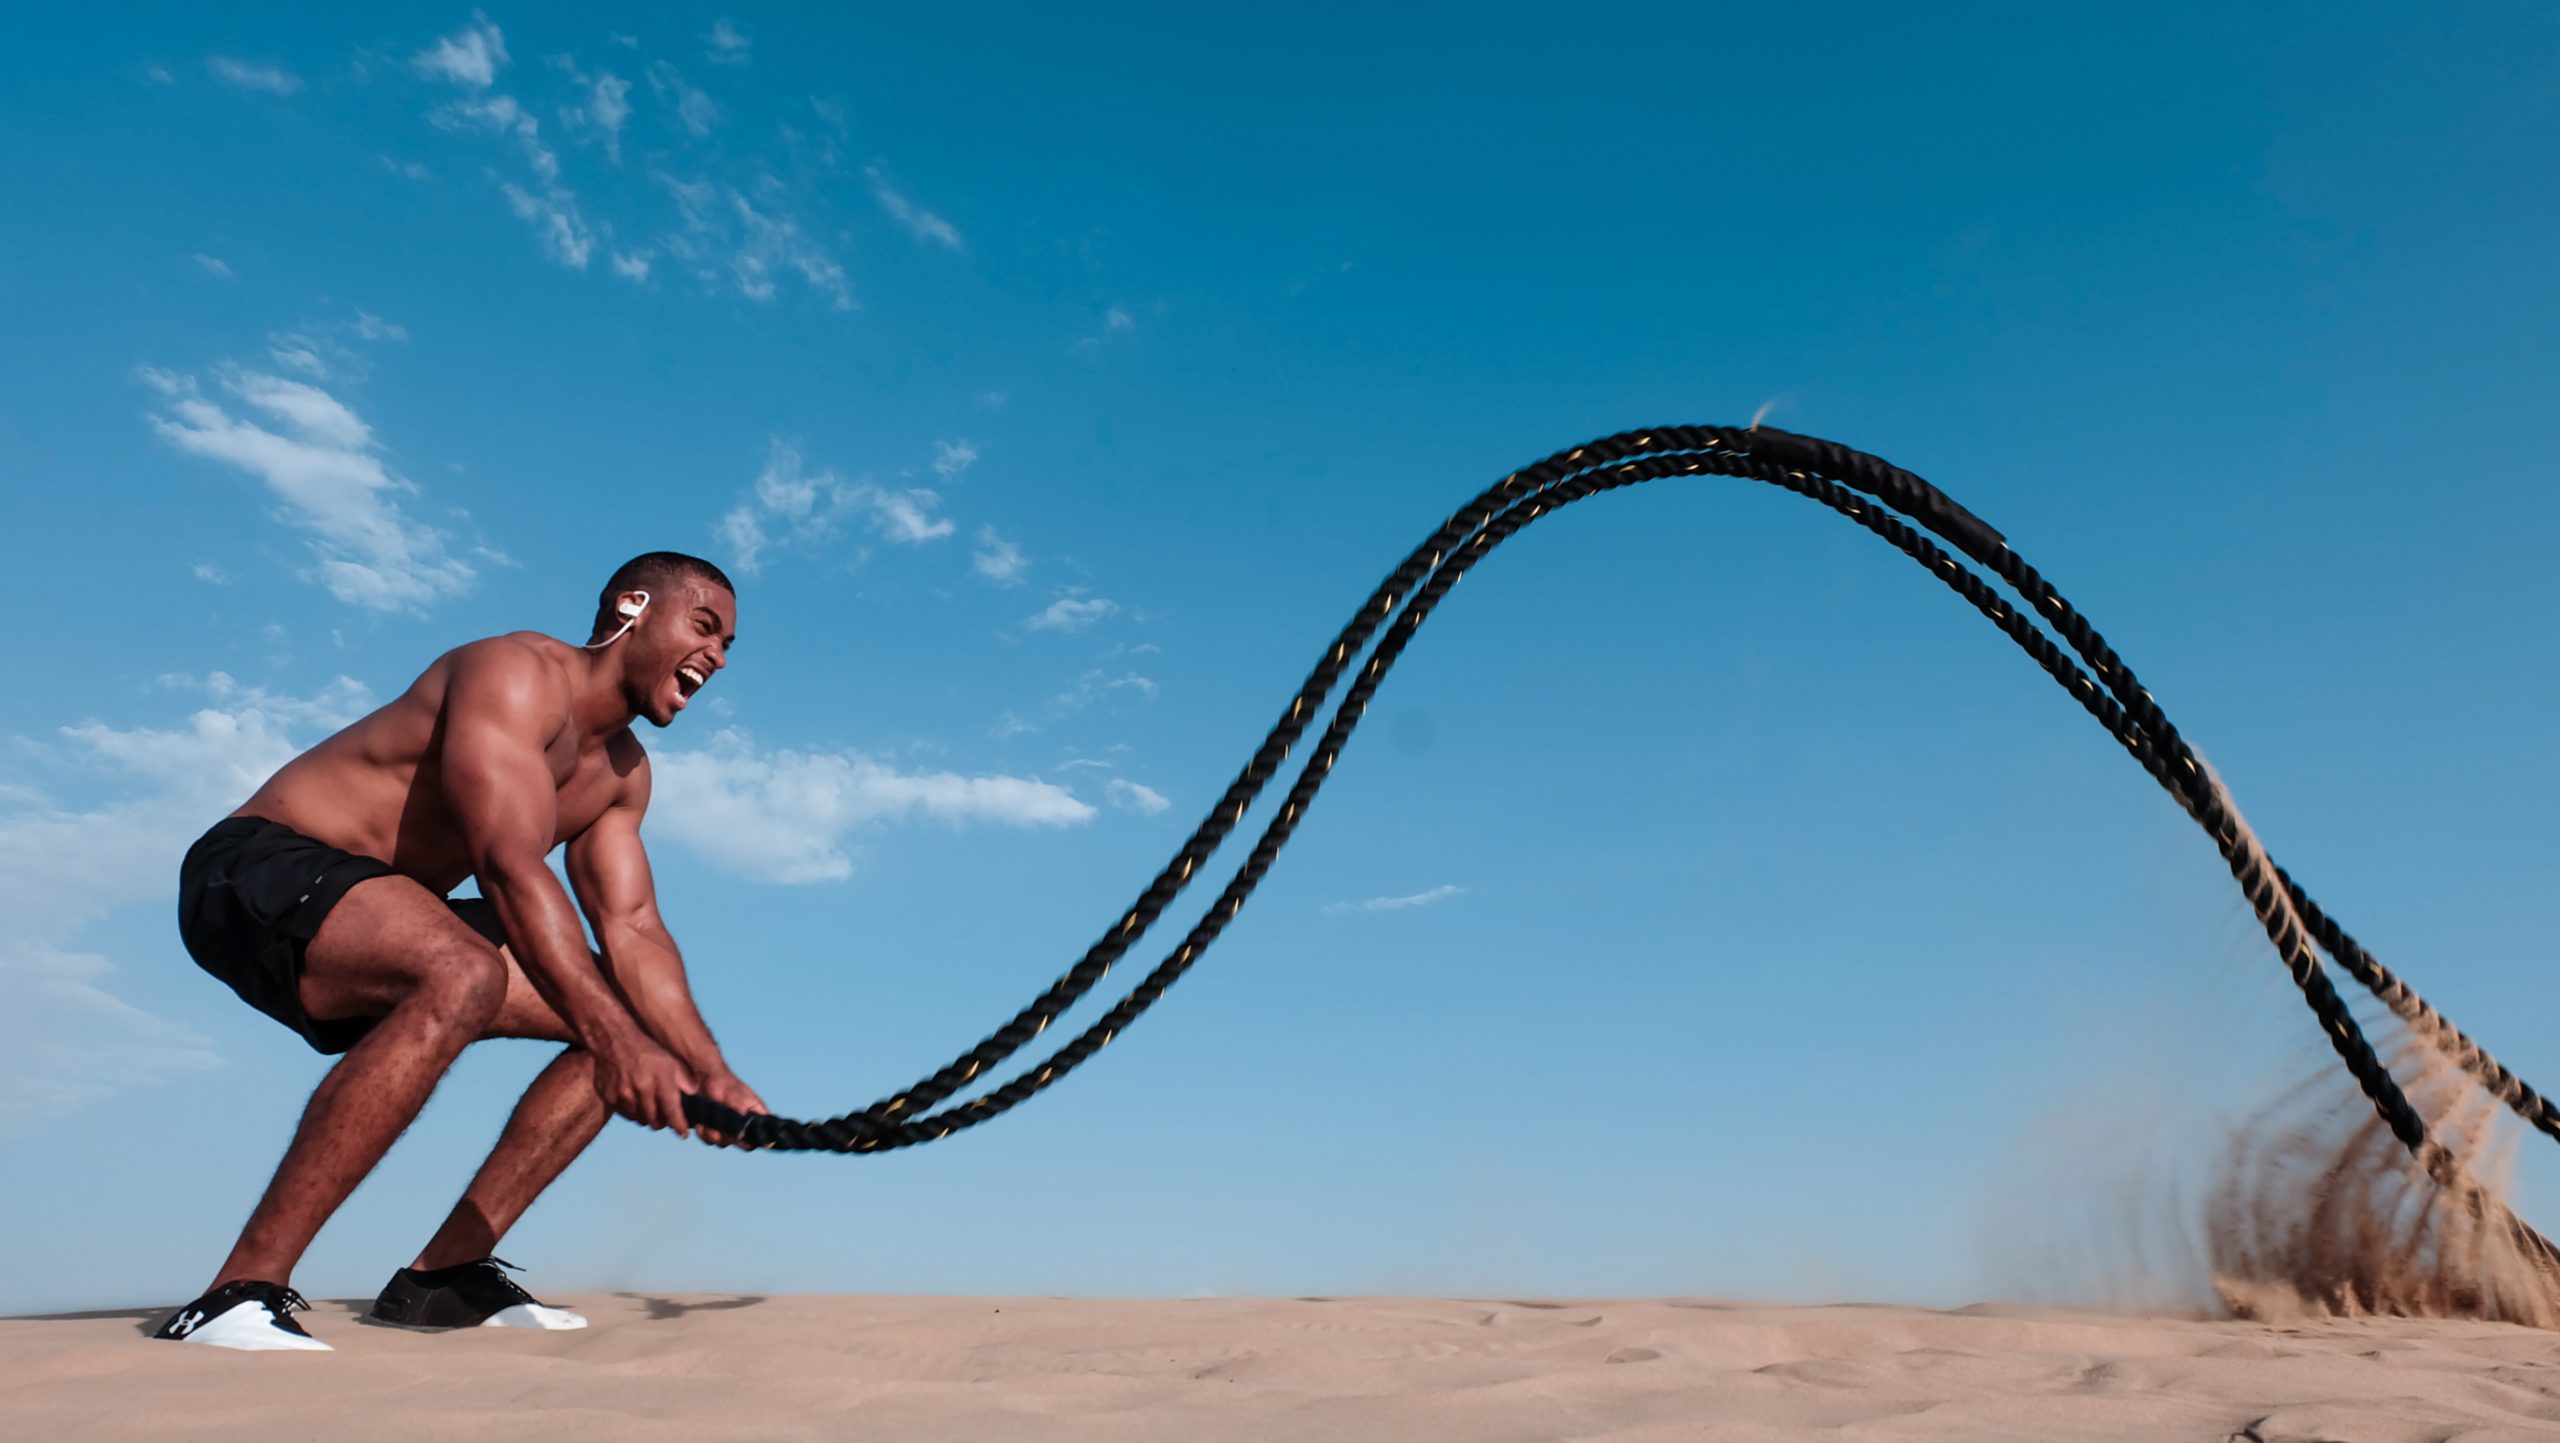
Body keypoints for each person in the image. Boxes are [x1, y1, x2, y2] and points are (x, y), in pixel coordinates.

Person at [152, 552, 769, 1352]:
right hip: (253, 873)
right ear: (633, 607)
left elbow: (635, 929)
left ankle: (442, 1277)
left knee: (622, 1018)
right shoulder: (513, 674)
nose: (717, 657)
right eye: (704, 627)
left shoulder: (623, 775)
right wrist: (623, 1045)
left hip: (386, 911)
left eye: (728, 645)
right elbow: (508, 865)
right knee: (469, 969)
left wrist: (706, 1068)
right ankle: (238, 1292)